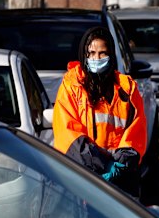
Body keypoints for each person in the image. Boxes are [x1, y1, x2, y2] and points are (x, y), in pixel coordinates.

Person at [53, 26, 147, 197]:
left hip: (121, 179)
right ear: (84, 54)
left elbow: (136, 131)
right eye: (91, 53)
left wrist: (121, 164)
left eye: (102, 53)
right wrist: (101, 164)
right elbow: (68, 135)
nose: (96, 58)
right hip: (82, 176)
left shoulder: (127, 89)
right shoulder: (71, 87)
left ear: (111, 55)